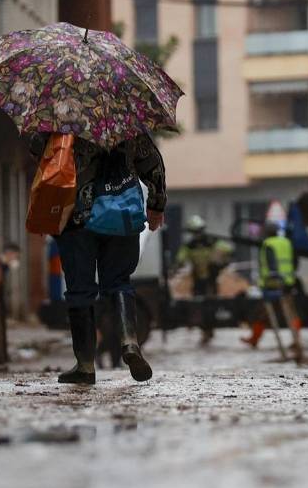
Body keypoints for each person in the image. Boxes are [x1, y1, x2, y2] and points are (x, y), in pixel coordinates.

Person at [28, 133, 165, 385]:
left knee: (80, 290)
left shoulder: (58, 124)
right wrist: (156, 205)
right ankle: (129, 342)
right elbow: (153, 164)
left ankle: (86, 366)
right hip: (121, 217)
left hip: (75, 218)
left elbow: (41, 156)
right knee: (119, 282)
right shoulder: (126, 122)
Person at [243, 220, 304, 360]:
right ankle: (297, 341)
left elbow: (272, 265)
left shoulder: (268, 244)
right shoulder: (287, 242)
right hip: (288, 282)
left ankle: (255, 338)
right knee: (291, 312)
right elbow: (294, 261)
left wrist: (273, 278)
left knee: (263, 312)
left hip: (272, 283)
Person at [174, 215, 233, 344]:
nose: (197, 234)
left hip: (211, 278)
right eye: (195, 232)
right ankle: (205, 330)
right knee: (200, 306)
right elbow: (181, 259)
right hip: (198, 279)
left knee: (210, 305)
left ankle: (209, 330)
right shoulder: (190, 246)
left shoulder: (212, 242)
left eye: (199, 231)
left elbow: (228, 249)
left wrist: (220, 261)